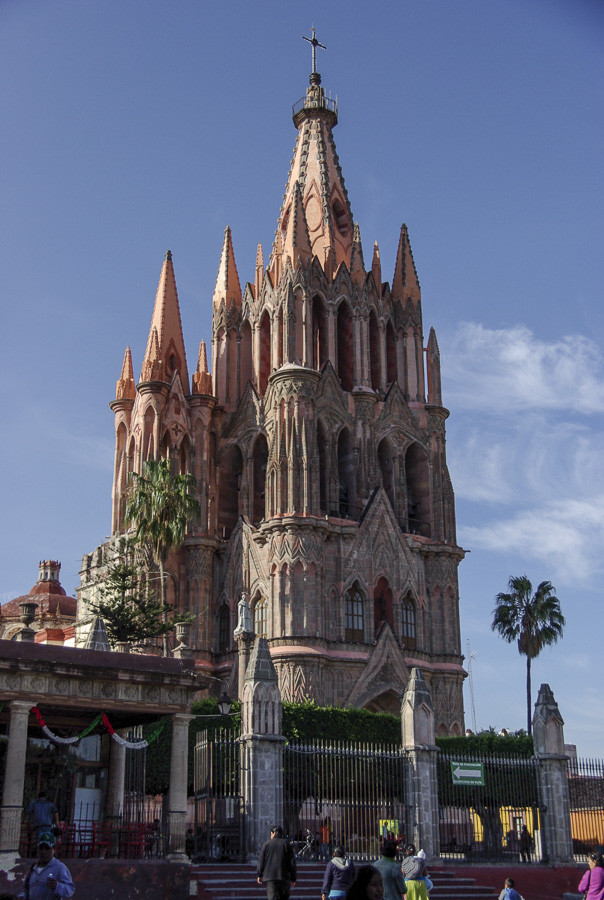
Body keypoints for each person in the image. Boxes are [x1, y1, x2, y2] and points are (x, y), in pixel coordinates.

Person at [18, 832, 75, 899]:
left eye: (47, 848)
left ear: (54, 850)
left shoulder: (59, 867)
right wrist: (22, 897)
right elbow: (25, 890)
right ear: (37, 849)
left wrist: (57, 886)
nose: (43, 851)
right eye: (41, 848)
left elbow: (70, 889)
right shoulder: (33, 869)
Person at [257, 825, 296, 900]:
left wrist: (260, 874)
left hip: (271, 878)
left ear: (273, 833)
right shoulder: (287, 844)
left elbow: (261, 861)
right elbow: (292, 863)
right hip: (284, 877)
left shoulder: (267, 845)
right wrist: (293, 878)